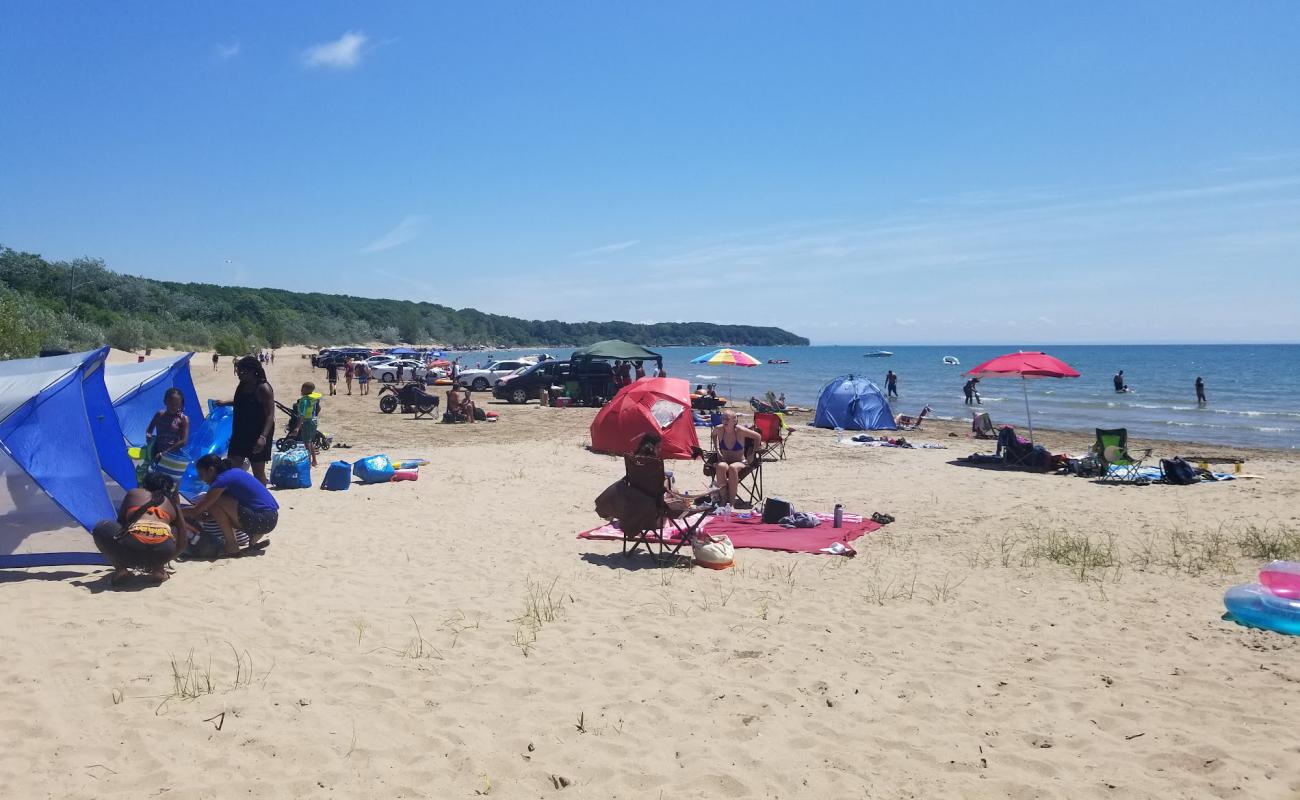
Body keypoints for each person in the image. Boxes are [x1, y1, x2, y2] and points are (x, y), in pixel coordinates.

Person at [92, 472, 187, 585]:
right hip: (163, 551)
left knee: (101, 527)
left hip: (132, 547)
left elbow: (121, 525)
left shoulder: (134, 493)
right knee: (170, 530)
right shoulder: (172, 503)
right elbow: (182, 544)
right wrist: (165, 558)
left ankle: (121, 570)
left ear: (146, 483)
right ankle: (159, 570)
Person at [185, 455, 278, 557]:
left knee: (215, 502)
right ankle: (254, 534)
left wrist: (175, 511)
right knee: (215, 502)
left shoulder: (221, 481)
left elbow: (196, 510)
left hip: (262, 519)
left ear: (211, 470)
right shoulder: (234, 473)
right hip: (271, 518)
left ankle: (232, 546)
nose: (202, 479)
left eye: (202, 475)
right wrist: (211, 516)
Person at [216, 355, 276, 485]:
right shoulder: (242, 385)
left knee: (258, 470)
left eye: (242, 371)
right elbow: (241, 402)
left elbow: (270, 415)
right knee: (232, 467)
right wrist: (224, 403)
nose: (239, 374)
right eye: (238, 371)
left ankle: (262, 502)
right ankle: (236, 498)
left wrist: (263, 438)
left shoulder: (263, 388)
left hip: (258, 433)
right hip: (240, 431)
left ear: (252, 371)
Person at [710, 411, 762, 507]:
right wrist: (717, 450)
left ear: (734, 421)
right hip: (725, 460)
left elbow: (758, 436)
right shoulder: (719, 429)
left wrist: (752, 453)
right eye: (723, 418)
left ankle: (732, 502)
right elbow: (713, 435)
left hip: (740, 462)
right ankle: (724, 498)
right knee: (720, 466)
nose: (724, 421)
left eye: (727, 419)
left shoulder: (740, 431)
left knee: (733, 468)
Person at [145, 387, 190, 463]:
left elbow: (183, 441)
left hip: (173, 456)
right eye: (171, 404)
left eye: (177, 404)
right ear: (165, 401)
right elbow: (150, 428)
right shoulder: (159, 414)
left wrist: (165, 453)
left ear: (180, 404)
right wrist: (148, 435)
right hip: (157, 452)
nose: (174, 407)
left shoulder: (183, 419)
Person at [293, 382, 322, 467]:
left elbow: (302, 414)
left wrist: (297, 427)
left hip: (307, 422)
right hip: (314, 421)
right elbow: (319, 408)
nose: (301, 390)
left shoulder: (304, 400)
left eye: (303, 388)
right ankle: (314, 461)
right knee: (310, 441)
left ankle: (308, 462)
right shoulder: (313, 398)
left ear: (306, 390)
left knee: (306, 442)